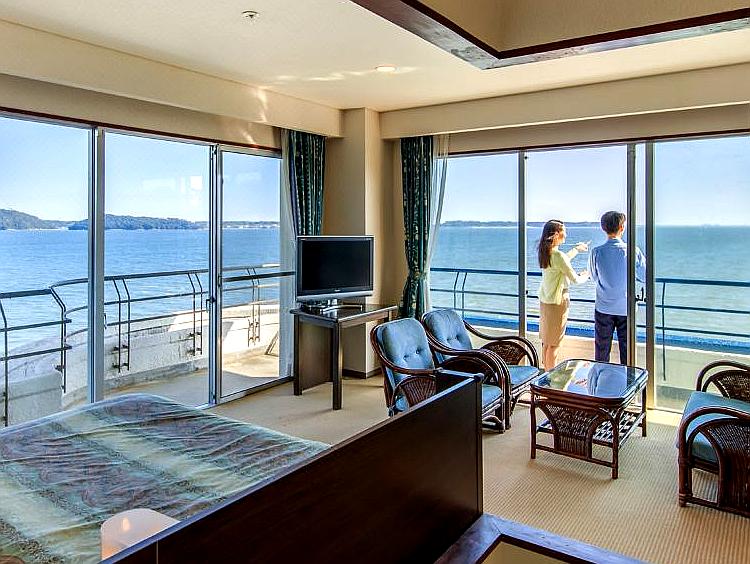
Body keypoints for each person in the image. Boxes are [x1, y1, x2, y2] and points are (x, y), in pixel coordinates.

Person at [588, 211, 646, 364]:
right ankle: (627, 378)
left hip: (603, 307)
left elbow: (593, 276)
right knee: (627, 352)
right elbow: (644, 276)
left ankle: (601, 378)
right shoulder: (633, 251)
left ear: (603, 228)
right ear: (622, 227)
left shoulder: (597, 252)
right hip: (625, 307)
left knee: (601, 351)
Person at [537, 220, 589, 370]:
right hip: (558, 302)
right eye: (563, 231)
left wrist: (576, 250)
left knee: (547, 343)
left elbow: (562, 260)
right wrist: (586, 275)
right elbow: (575, 279)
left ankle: (546, 376)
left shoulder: (546, 253)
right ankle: (551, 378)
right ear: (556, 234)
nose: (565, 234)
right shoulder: (558, 256)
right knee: (554, 345)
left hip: (546, 302)